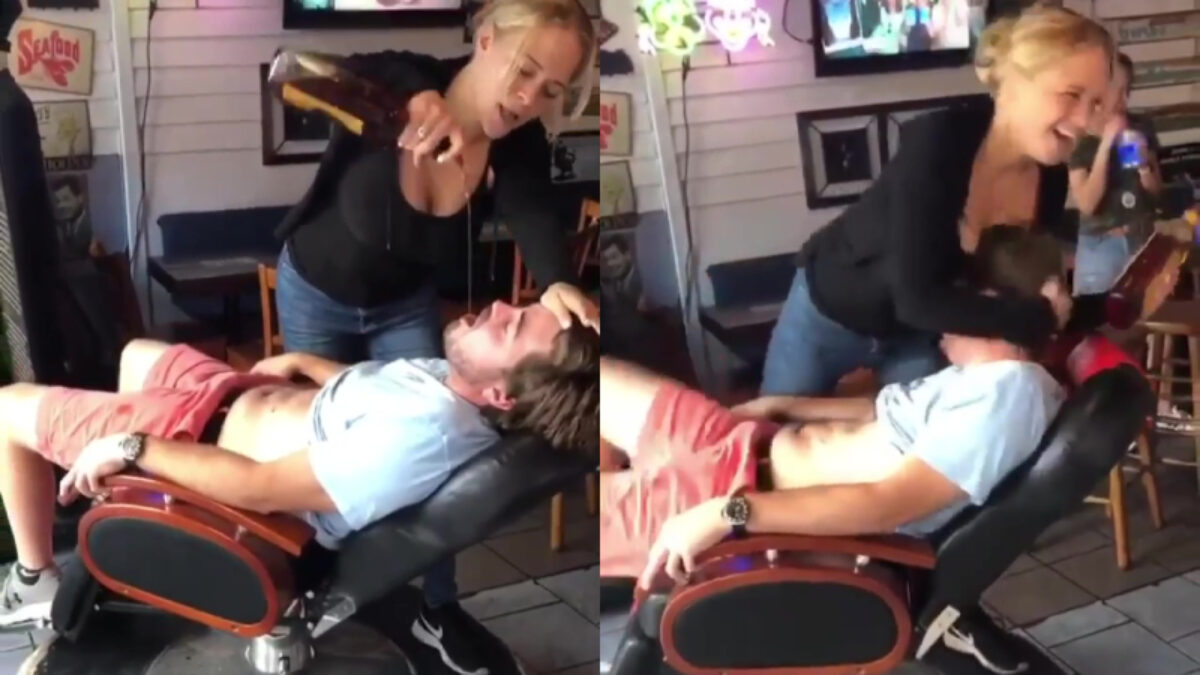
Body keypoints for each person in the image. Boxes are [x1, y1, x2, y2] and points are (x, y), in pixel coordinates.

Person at [271, 0, 599, 666]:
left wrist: (559, 281)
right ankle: (291, 601)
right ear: (485, 40)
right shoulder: (404, 80)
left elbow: (533, 210)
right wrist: (410, 96)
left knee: (440, 462)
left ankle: (435, 609)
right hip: (316, 292)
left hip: (405, 307)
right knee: (314, 451)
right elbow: (290, 74)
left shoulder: (518, 143)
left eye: (551, 89)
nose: (529, 99)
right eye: (524, 71)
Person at [0, 302, 599, 645]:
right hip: (227, 399)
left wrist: (132, 446)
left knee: (6, 409)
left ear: (501, 395)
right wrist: (306, 363)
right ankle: (132, 522)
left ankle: (35, 577)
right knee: (136, 353)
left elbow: (257, 490)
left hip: (202, 445)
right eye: (517, 310)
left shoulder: (426, 435)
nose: (500, 307)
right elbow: (380, 393)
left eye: (509, 327)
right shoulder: (456, 383)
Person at [599, 227, 1067, 584]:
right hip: (742, 443)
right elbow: (879, 414)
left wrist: (727, 513)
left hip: (735, 492)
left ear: (990, 306)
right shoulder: (977, 380)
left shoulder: (1009, 397)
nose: (935, 316)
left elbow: (887, 504)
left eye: (950, 301)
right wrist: (782, 405)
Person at [760, 5, 1113, 398]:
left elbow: (1015, 293)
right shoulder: (938, 143)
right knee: (770, 427)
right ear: (1013, 84)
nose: (1086, 121)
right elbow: (918, 298)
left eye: (1097, 103)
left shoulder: (1051, 177)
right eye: (1071, 94)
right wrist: (1038, 317)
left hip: (920, 336)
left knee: (916, 435)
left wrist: (1108, 307)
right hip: (831, 311)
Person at [1068, 52, 1164, 296]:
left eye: (1127, 90)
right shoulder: (1079, 135)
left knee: (1147, 314)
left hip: (1141, 240)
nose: (1125, 99)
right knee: (1096, 315)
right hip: (1101, 246)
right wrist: (1107, 141)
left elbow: (1155, 192)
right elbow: (1087, 203)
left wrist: (1144, 166)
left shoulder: (1140, 126)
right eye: (1118, 91)